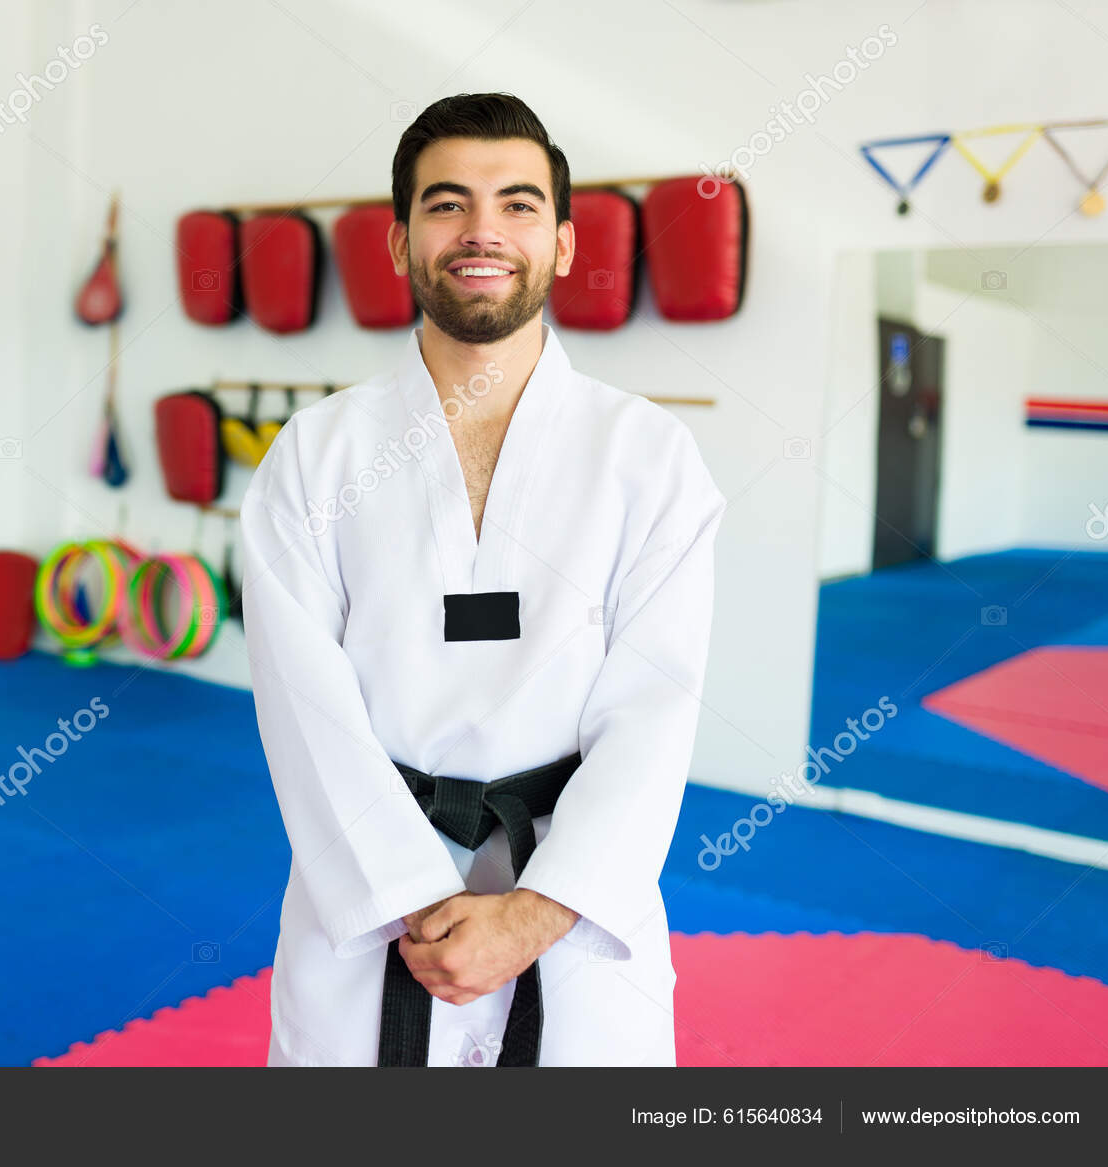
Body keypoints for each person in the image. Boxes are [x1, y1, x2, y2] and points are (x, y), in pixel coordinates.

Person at [239, 93, 726, 1067]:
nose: (481, 232)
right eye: (447, 204)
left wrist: (534, 915)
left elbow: (655, 710)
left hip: (574, 918)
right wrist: (417, 899)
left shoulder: (647, 456)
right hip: (375, 915)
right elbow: (301, 708)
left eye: (516, 205)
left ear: (563, 243)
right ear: (396, 241)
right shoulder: (316, 454)